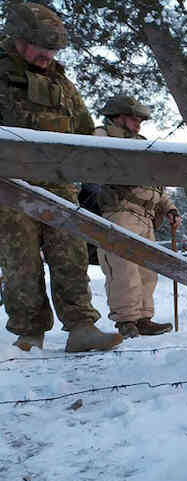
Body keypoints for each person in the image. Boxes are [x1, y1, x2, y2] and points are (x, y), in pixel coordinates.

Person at [0, 3, 123, 353]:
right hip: (10, 185)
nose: (48, 56)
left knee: (70, 254)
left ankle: (82, 326)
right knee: (20, 259)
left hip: (58, 182)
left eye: (54, 50)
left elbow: (83, 129)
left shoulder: (61, 82)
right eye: (43, 48)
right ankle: (28, 332)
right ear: (20, 39)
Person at [93, 95, 181, 338]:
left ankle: (143, 317)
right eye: (134, 118)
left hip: (146, 215)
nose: (139, 123)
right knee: (123, 269)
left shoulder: (142, 143)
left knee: (146, 271)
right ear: (118, 117)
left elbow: (156, 186)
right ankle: (126, 320)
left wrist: (169, 208)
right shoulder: (102, 136)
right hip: (121, 211)